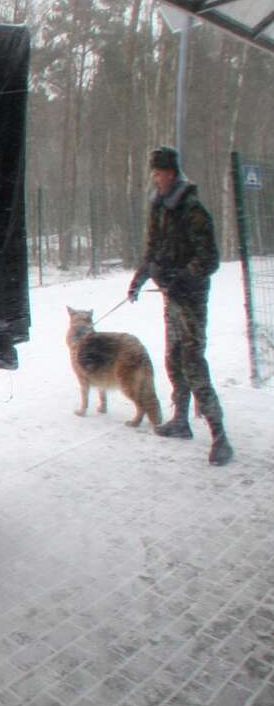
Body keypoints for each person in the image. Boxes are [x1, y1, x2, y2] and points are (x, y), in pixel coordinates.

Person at [129, 146, 232, 466]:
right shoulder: (159, 207)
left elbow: (210, 259)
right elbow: (152, 249)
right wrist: (139, 279)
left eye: (158, 173)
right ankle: (181, 421)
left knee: (192, 363)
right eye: (154, 173)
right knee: (173, 359)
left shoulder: (193, 210)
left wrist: (182, 277)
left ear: (171, 173)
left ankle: (220, 437)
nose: (155, 178)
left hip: (190, 299)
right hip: (171, 296)